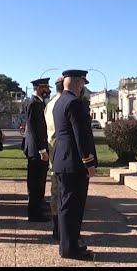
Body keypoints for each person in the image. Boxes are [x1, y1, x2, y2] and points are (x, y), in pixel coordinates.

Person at [53, 69, 97, 261]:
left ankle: (66, 244)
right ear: (78, 83)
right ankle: (70, 248)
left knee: (65, 206)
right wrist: (89, 162)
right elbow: (81, 136)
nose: (83, 88)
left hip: (62, 160)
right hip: (74, 162)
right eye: (82, 84)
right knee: (73, 207)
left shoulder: (59, 101)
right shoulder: (74, 103)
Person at [24, 77, 51, 222]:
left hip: (38, 148)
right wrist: (41, 149)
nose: (48, 91)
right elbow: (34, 129)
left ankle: (38, 206)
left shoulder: (39, 103)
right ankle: (34, 213)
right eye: (46, 88)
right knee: (35, 182)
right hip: (36, 149)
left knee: (40, 181)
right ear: (39, 88)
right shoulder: (33, 104)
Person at [44, 76, 64, 240]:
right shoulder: (63, 103)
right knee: (62, 189)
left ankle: (56, 224)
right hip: (62, 149)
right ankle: (60, 226)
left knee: (55, 188)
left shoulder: (49, 104)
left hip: (52, 148)